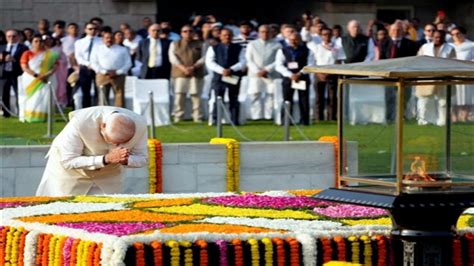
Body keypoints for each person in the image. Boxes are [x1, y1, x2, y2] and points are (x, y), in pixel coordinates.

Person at [36, 106, 148, 196]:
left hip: (109, 178)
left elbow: (142, 158)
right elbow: (68, 160)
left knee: (109, 217)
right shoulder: (80, 122)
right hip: (70, 176)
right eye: (111, 141)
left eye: (123, 142)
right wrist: (106, 159)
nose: (116, 146)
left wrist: (126, 159)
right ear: (103, 126)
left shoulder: (140, 125)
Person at [416, 30, 456, 126]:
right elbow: (418, 60)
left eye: (440, 37)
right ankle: (424, 121)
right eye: (436, 37)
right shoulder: (425, 47)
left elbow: (454, 63)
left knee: (444, 102)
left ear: (444, 37)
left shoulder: (450, 48)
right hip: (427, 77)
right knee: (425, 101)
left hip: (444, 78)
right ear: (432, 37)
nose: (438, 39)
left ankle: (443, 122)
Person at [205, 28, 245, 125]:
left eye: (229, 35)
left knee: (234, 98)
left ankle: (234, 120)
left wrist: (231, 69)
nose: (227, 37)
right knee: (218, 98)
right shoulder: (213, 47)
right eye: (224, 35)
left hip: (233, 76)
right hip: (219, 77)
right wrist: (221, 70)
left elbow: (243, 61)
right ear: (220, 36)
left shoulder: (239, 48)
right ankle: (216, 120)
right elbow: (209, 62)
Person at [275, 32, 315, 125]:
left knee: (304, 100)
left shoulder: (308, 50)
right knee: (287, 99)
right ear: (288, 40)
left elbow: (310, 64)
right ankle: (286, 121)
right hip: (288, 78)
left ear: (300, 39)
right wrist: (290, 75)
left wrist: (299, 73)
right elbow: (279, 65)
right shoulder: (282, 50)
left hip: (302, 77)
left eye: (296, 39)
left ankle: (304, 121)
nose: (294, 41)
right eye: (292, 39)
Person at [168, 25, 205, 123]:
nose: (188, 33)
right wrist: (183, 68)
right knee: (179, 95)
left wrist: (193, 67)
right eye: (185, 31)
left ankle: (197, 117)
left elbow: (204, 57)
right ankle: (178, 116)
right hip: (180, 73)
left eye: (190, 31)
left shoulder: (201, 44)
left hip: (196, 73)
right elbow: (173, 58)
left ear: (193, 33)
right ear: (181, 33)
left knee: (196, 95)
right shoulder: (175, 44)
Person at [19, 34, 59, 122]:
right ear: (32, 43)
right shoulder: (27, 53)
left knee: (45, 97)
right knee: (32, 98)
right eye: (36, 41)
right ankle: (31, 117)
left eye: (40, 41)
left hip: (47, 79)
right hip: (31, 79)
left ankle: (44, 117)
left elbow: (55, 66)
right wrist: (37, 76)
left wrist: (46, 75)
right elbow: (24, 67)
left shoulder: (51, 54)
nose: (38, 43)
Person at [245, 25, 282, 120]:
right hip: (255, 74)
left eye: (267, 32)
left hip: (272, 74)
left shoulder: (277, 45)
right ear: (258, 33)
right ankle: (256, 116)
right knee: (255, 94)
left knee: (271, 94)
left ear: (271, 33)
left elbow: (279, 60)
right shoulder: (252, 44)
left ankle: (268, 115)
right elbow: (249, 59)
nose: (265, 34)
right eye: (262, 32)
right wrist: (257, 71)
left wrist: (267, 69)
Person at [308, 27, 344, 121]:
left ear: (332, 36)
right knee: (318, 98)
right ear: (321, 36)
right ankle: (318, 118)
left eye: (329, 34)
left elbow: (339, 61)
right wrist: (319, 72)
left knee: (332, 98)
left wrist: (332, 71)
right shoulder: (317, 47)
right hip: (319, 74)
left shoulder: (337, 47)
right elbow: (313, 61)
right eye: (324, 34)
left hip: (332, 73)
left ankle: (332, 117)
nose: (327, 36)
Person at [90, 31, 132, 107]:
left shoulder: (122, 49)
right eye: (107, 38)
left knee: (119, 97)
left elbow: (128, 63)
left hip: (118, 76)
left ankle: (119, 116)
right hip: (102, 75)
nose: (109, 40)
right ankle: (104, 116)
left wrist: (118, 72)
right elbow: (93, 62)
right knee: (102, 97)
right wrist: (104, 71)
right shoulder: (97, 49)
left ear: (115, 39)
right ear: (103, 39)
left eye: (111, 38)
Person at [0, 29, 29, 118]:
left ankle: (20, 112)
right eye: (9, 36)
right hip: (4, 74)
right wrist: (2, 59)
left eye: (14, 36)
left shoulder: (23, 48)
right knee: (4, 93)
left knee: (19, 93)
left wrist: (14, 60)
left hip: (17, 73)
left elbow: (25, 61)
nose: (11, 38)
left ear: (18, 37)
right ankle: (6, 113)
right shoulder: (2, 47)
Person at [450, 26, 474, 122]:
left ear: (464, 34)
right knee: (454, 96)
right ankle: (454, 117)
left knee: (466, 96)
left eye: (458, 33)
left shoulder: (471, 45)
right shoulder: (449, 45)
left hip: (466, 74)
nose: (455, 36)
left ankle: (465, 117)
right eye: (453, 34)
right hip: (453, 74)